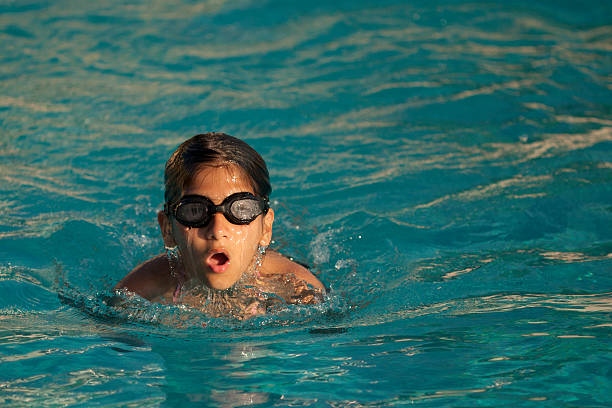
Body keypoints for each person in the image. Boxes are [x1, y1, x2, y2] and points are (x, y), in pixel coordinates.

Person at [114, 133, 325, 318]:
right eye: (195, 211)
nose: (217, 231)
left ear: (266, 228)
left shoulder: (296, 286)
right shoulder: (140, 289)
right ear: (168, 229)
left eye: (241, 209)